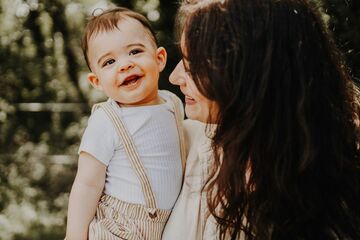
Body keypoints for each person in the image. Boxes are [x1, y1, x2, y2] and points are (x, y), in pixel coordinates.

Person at [163, 0, 360, 239]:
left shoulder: (335, 194)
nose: (175, 77)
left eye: (193, 65)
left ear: (249, 76)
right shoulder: (182, 147)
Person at [65, 7, 186, 240]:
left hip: (170, 224)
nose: (124, 64)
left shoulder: (173, 104)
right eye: (109, 61)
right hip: (118, 227)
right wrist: (74, 236)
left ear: (160, 58)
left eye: (134, 51)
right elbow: (87, 184)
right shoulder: (106, 120)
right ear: (96, 81)